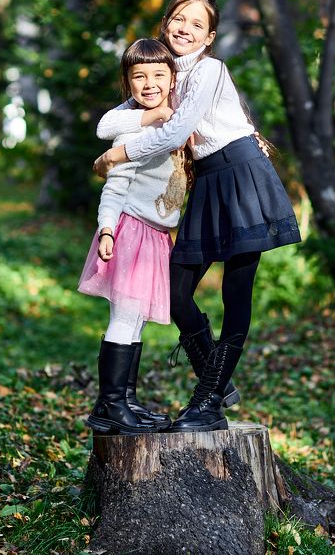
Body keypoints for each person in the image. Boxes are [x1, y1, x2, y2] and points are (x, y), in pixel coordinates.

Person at [93, 0, 301, 433]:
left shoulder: (209, 70)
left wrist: (118, 155)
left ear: (209, 37)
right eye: (178, 19)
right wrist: (127, 133)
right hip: (207, 181)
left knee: (235, 296)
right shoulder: (162, 75)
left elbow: (176, 134)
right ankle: (215, 379)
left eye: (196, 24)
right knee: (174, 290)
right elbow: (106, 123)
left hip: (243, 176)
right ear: (165, 23)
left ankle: (207, 402)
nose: (184, 29)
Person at [80, 38, 190, 435]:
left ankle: (125, 400)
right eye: (139, 77)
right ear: (127, 83)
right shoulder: (130, 128)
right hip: (130, 234)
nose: (149, 84)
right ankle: (109, 405)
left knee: (137, 321)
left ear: (172, 77)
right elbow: (114, 185)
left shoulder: (180, 118)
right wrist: (107, 227)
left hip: (157, 236)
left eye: (159, 75)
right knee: (124, 318)